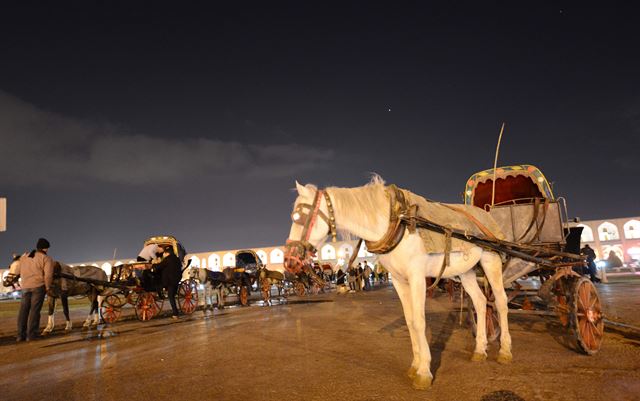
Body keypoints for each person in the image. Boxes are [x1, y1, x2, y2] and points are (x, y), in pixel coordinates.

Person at [16, 238, 54, 342]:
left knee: (23, 311)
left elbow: (18, 270)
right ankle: (32, 335)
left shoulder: (24, 257)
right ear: (46, 248)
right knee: (34, 311)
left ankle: (20, 335)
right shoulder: (46, 258)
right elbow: (48, 276)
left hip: (25, 287)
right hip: (38, 286)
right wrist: (48, 287)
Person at [152, 246, 183, 318]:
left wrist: (153, 266)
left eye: (164, 253)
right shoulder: (177, 259)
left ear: (167, 253)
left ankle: (175, 313)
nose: (163, 254)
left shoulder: (167, 259)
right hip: (176, 280)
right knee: (171, 295)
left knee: (170, 296)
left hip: (170, 281)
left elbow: (160, 266)